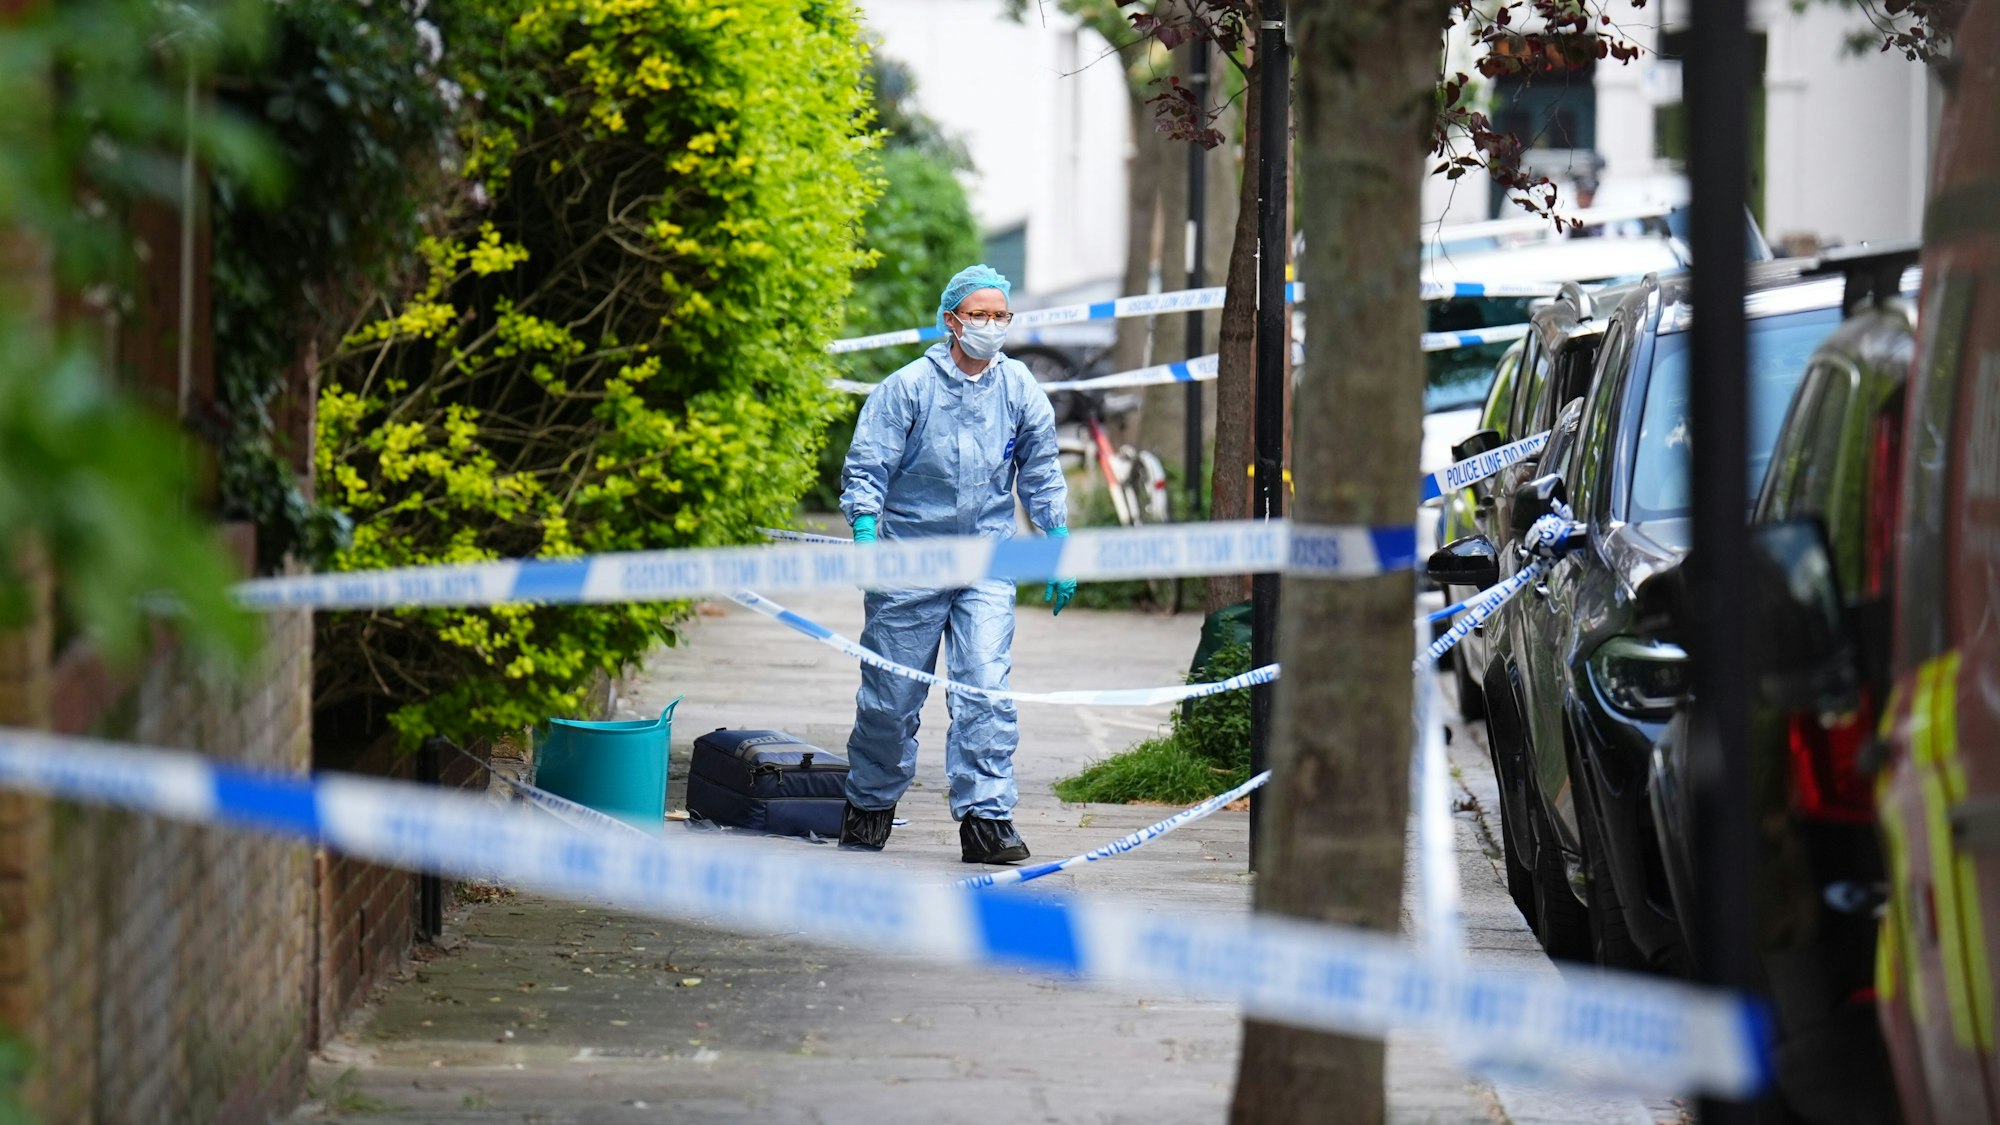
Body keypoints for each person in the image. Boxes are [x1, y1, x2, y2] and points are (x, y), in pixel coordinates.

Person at [837, 264, 1073, 864]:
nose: (990, 326)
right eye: (979, 315)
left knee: (985, 692)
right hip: (909, 562)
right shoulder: (908, 387)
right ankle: (869, 805)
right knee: (890, 699)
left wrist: (1057, 541)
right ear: (951, 321)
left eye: (1000, 316)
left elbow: (1042, 471)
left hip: (986, 563)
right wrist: (866, 530)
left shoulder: (1019, 388)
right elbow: (868, 466)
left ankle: (986, 819)